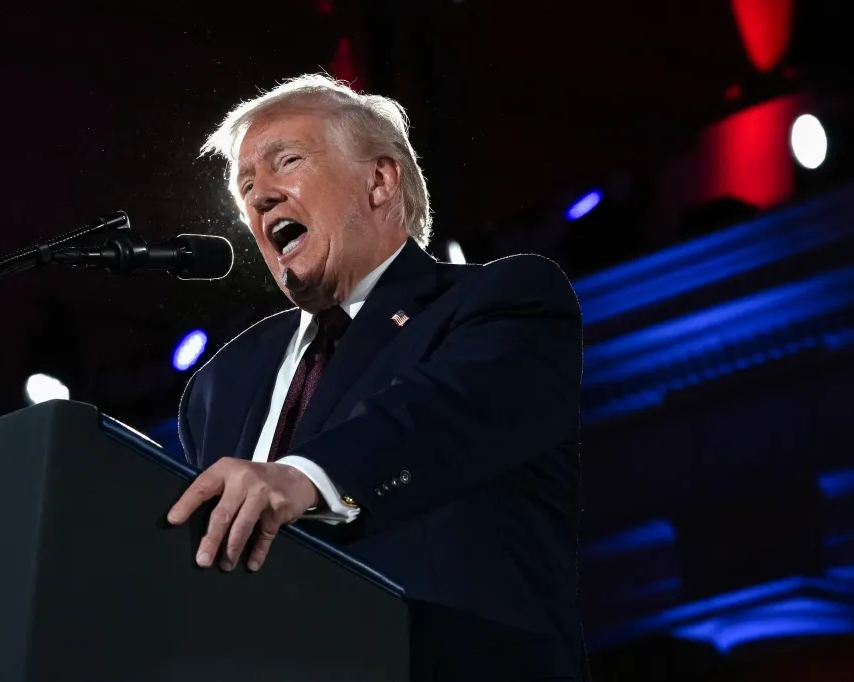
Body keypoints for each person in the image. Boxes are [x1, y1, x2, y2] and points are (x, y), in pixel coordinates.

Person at [166, 74, 587, 681]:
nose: (260, 198)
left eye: (286, 162)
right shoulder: (221, 382)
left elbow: (438, 418)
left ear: (380, 180)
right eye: (246, 188)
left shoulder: (503, 299)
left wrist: (304, 477)